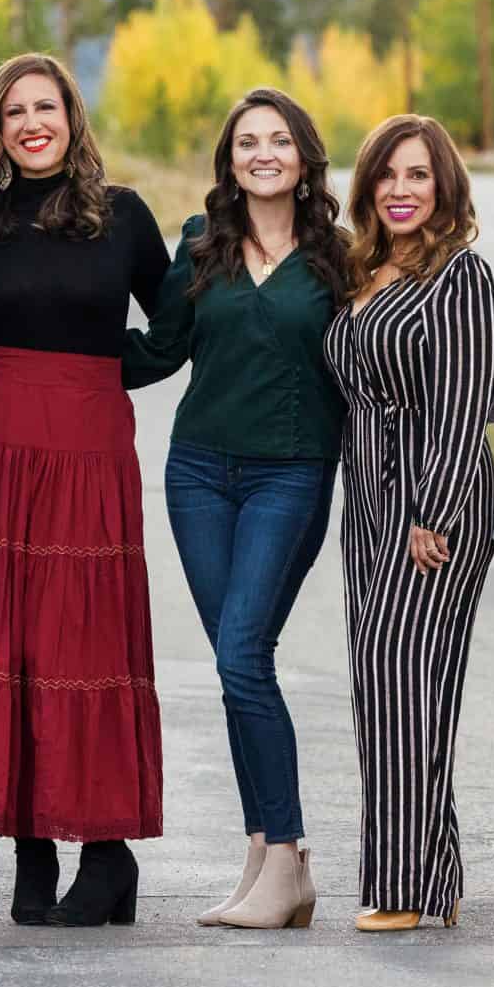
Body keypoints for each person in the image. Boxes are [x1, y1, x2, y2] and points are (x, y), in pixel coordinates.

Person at [0, 52, 170, 929]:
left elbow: (176, 322)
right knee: (8, 640)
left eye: (44, 107)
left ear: (71, 117)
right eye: (13, 111)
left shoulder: (122, 216)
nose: (31, 124)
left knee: (83, 642)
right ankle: (31, 849)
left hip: (87, 447)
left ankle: (106, 853)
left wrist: (106, 371)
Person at [124, 89, 349, 930]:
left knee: (244, 657)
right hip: (197, 475)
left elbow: (367, 369)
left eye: (278, 140)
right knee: (235, 665)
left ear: (303, 158)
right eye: (247, 141)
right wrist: (51, 349)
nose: (263, 154)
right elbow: (158, 351)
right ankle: (265, 858)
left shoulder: (338, 258)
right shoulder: (201, 243)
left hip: (289, 475)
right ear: (229, 160)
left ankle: (286, 856)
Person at [319, 113, 494, 933]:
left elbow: (464, 404)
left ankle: (399, 886)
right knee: (391, 684)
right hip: (367, 503)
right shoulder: (364, 271)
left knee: (398, 674)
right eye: (388, 175)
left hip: (435, 503)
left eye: (419, 174)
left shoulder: (460, 277)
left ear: (444, 186)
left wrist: (436, 509)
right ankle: (439, 877)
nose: (401, 190)